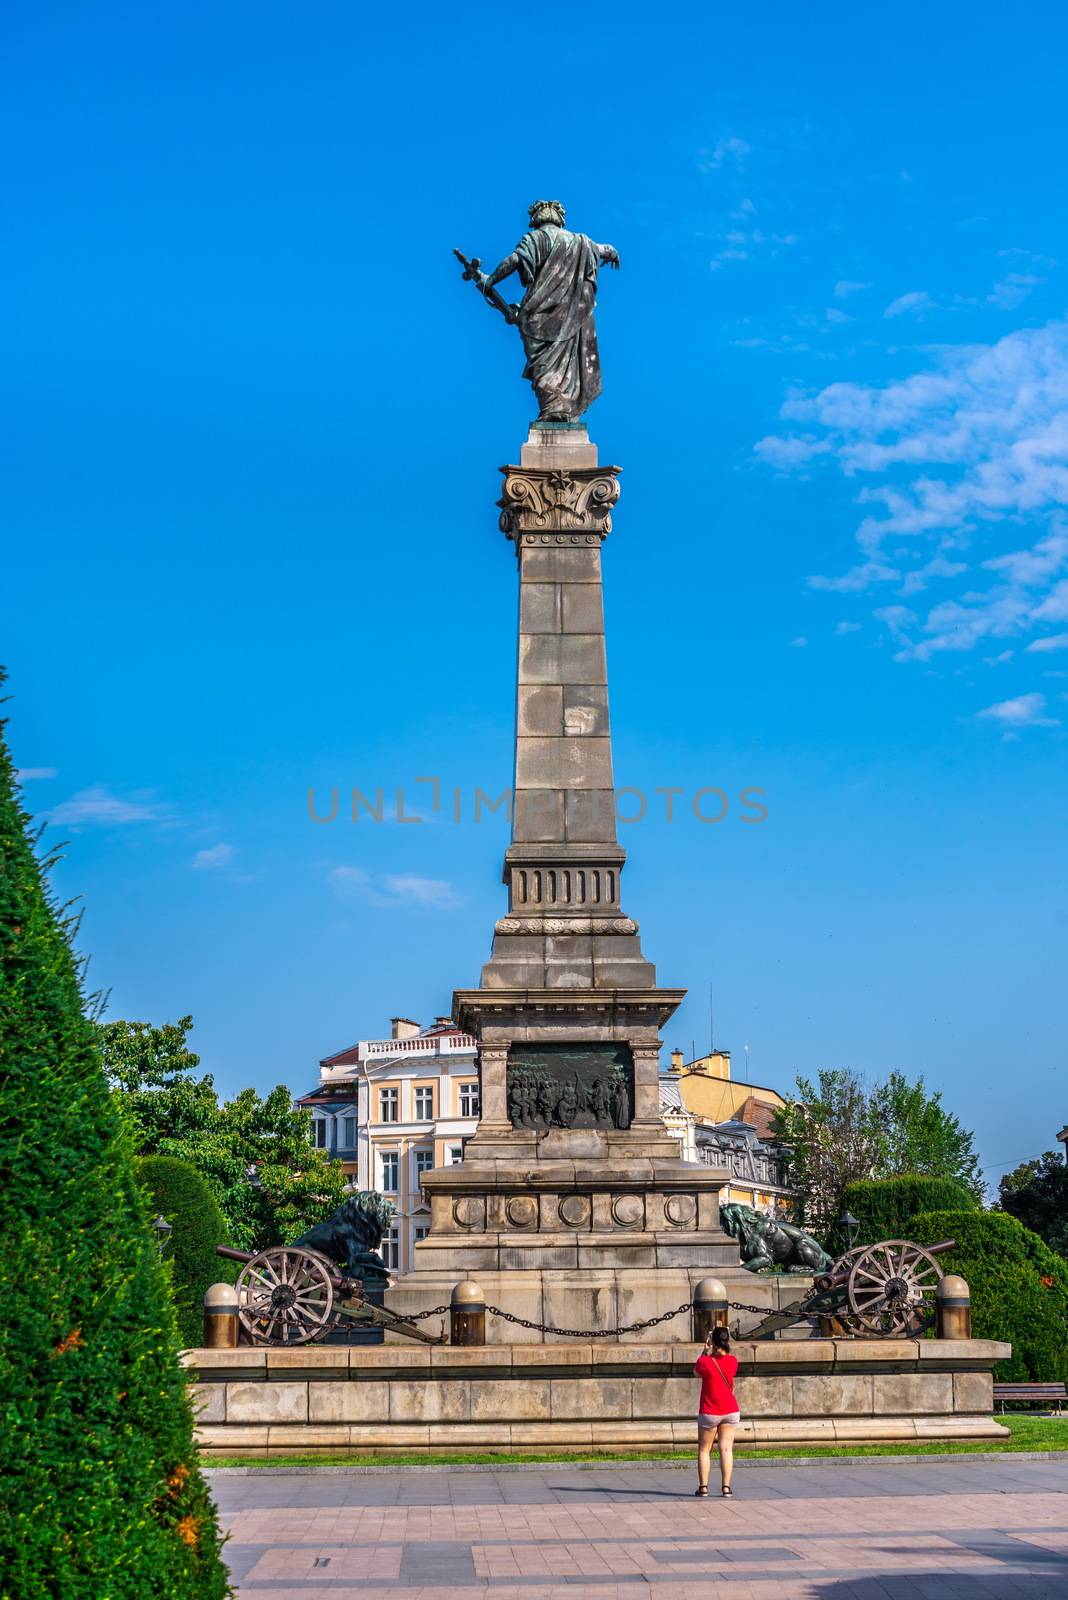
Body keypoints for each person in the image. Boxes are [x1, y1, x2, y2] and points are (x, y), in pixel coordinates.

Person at [480, 200, 620, 422]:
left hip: (538, 315)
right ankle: (558, 407)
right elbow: (605, 249)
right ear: (560, 218)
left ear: (535, 219)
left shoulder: (535, 239)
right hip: (568, 317)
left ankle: (554, 408)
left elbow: (515, 260)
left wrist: (491, 280)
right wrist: (612, 253)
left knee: (544, 365)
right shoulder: (580, 242)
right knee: (564, 363)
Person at [693, 1325, 740, 1498]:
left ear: (711, 1341)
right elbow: (729, 1367)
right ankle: (726, 1487)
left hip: (710, 1411)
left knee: (705, 1449)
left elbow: (696, 1373)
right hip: (730, 1410)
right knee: (726, 1449)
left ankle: (703, 1487)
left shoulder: (704, 1362)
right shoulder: (733, 1361)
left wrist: (704, 1351)